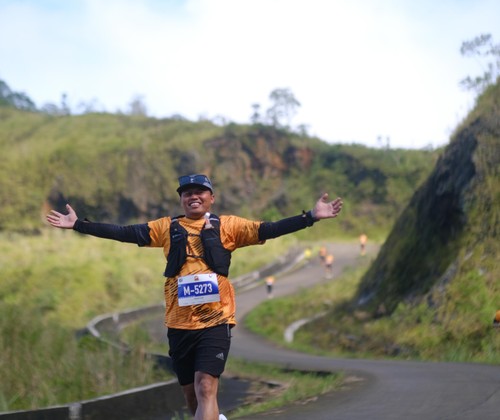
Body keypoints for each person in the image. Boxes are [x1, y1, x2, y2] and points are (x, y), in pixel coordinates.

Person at [47, 174, 343, 420]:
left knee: (205, 387)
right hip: (179, 324)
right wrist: (79, 224)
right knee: (191, 395)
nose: (193, 197)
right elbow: (124, 232)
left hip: (216, 320)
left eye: (200, 192)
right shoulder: (166, 228)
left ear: (211, 197)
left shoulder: (229, 226)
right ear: (181, 200)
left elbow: (271, 228)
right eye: (187, 193)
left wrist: (310, 217)